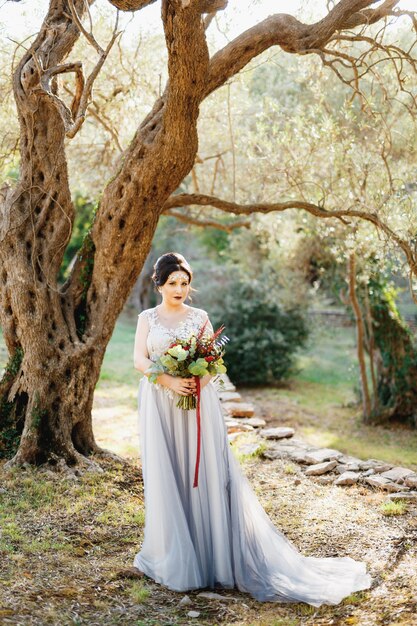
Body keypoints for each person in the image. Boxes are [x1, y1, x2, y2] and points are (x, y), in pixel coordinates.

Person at [132, 252, 372, 606]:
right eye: (173, 284)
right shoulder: (146, 318)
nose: (180, 289)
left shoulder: (200, 317)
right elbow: (139, 359)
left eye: (184, 283)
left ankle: (212, 555)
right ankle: (175, 554)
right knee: (169, 474)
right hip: (160, 403)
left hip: (196, 405)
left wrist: (199, 379)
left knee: (204, 476)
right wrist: (168, 380)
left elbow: (212, 362)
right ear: (159, 284)